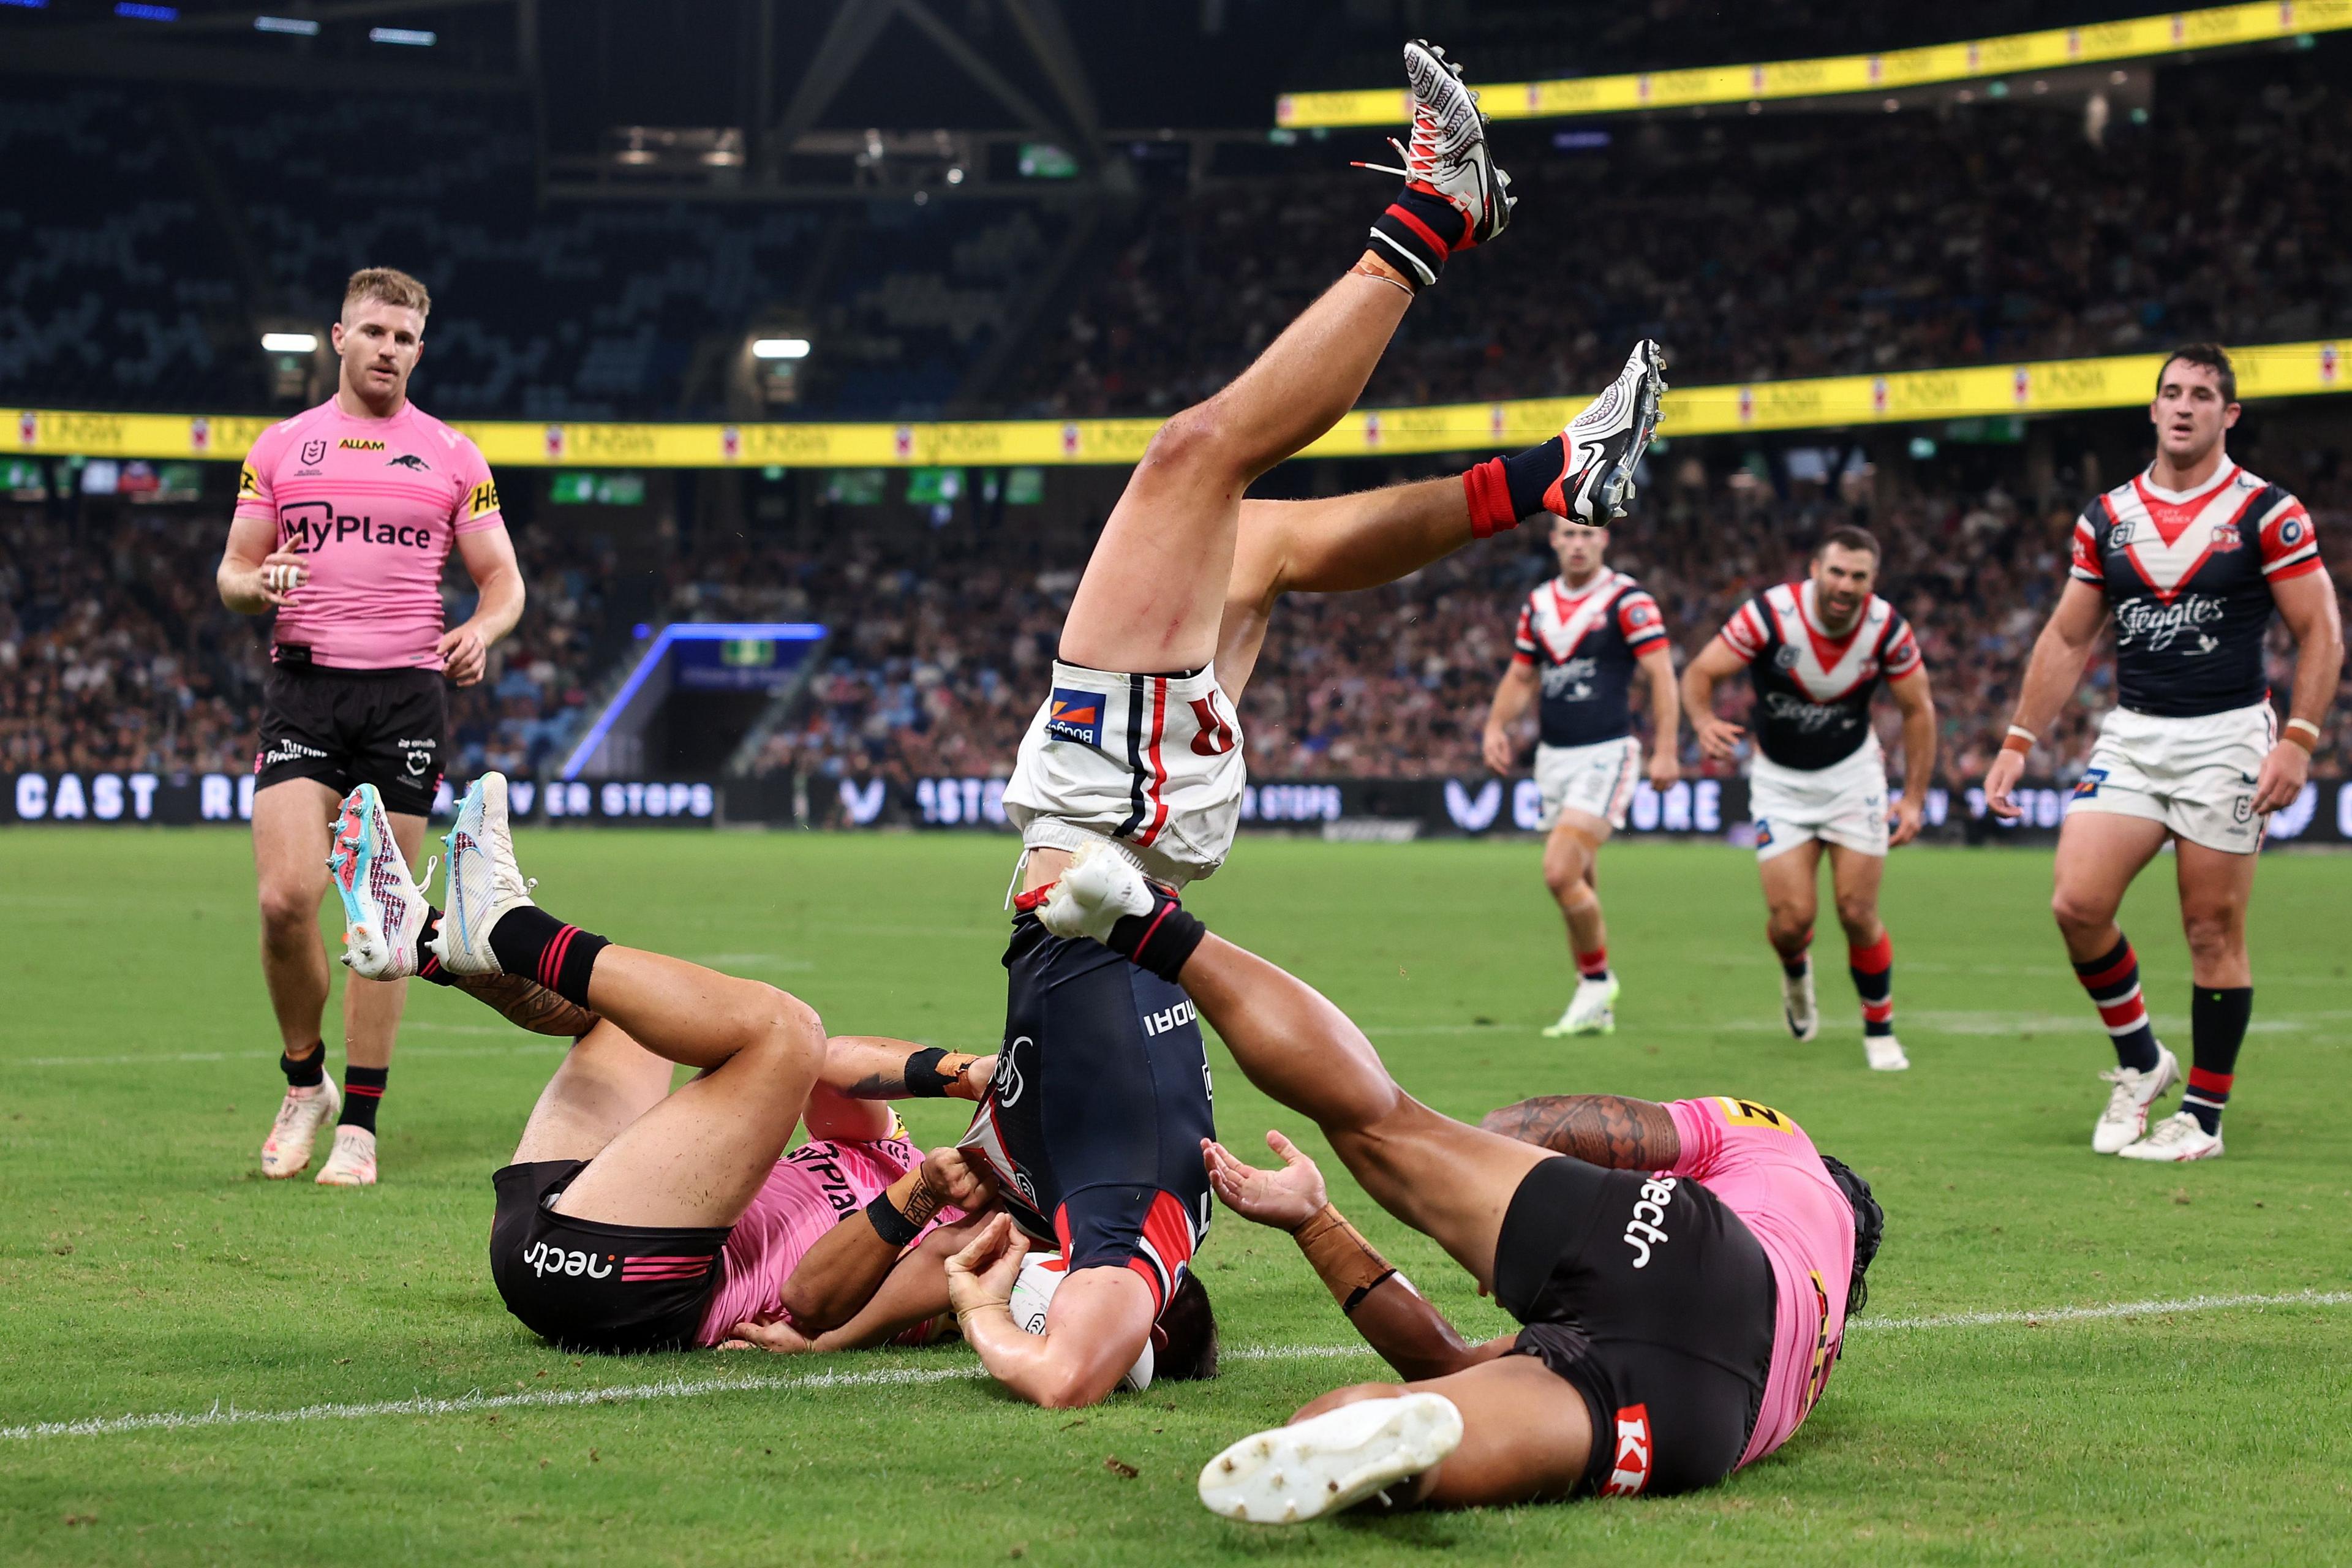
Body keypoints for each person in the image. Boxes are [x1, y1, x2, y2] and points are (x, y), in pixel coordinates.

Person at [960, 38, 1668, 1412]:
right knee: (1197, 457)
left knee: (1265, 532)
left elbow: (1018, 1275)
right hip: (1110, 813)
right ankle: (1432, 219)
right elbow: (1070, 1374)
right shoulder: (1124, 1215)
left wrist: (954, 1236)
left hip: (1123, 836)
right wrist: (983, 1304)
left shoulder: (1081, 1183)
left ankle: (1566, 469)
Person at [987, 845, 1879, 1522]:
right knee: (1364, 1424)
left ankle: (1147, 924)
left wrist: (1484, 1173)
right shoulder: (1814, 1353)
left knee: (1385, 1124)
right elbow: (1450, 1363)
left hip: (1693, 1251)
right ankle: (1392, 1442)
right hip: (1701, 1416)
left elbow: (1587, 1127)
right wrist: (1316, 1225)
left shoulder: (1785, 1151)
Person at [330, 774, 998, 1352]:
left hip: (631, 1285)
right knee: (639, 1016)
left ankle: (510, 928)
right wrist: (967, 1073)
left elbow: (812, 1298)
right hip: (559, 1233)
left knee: (785, 1031)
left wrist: (922, 1197)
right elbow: (832, 1065)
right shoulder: (894, 1151)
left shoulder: (987, 1232)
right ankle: (423, 941)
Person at [1983, 344, 2341, 1161]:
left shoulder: (2266, 512)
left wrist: (2300, 738)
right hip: (2137, 735)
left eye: (2203, 395)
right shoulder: (2107, 517)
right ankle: (2143, 1063)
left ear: (2229, 415)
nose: (2184, 406)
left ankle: (2203, 1121)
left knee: (2211, 931)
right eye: (2172, 393)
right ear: (2153, 409)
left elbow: (2319, 629)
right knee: (2076, 902)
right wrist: (2016, 740)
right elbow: (2069, 637)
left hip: (2228, 739)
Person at [218, 266, 525, 1187]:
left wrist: (480, 629)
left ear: (419, 351)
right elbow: (233, 572)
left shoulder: (453, 456)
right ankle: (302, 1077)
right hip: (306, 692)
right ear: (340, 338)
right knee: (283, 901)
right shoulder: (281, 448)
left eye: (405, 337)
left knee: (381, 922)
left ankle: (361, 1122)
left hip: (405, 698)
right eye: (374, 332)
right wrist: (258, 583)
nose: (389, 349)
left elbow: (503, 583)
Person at [1681, 527, 1935, 1071]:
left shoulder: (1886, 628)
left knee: (1857, 910)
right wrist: (1703, 721)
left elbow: (1919, 711)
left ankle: (1880, 1028)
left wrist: (1913, 800)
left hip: (1853, 777)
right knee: (1792, 920)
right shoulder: (1769, 616)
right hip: (1779, 781)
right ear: (1816, 570)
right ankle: (1796, 971)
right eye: (1837, 572)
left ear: (1873, 580)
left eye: (1859, 576)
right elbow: (1700, 672)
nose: (1846, 585)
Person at [1480, 513, 1679, 1036]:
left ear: (1604, 540)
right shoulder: (1540, 604)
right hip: (1553, 757)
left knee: (1558, 872)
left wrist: (1666, 749)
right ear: (1554, 541)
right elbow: (1523, 674)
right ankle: (1597, 1005)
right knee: (1580, 881)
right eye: (1568, 534)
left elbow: (1661, 672)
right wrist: (1497, 725)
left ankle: (1596, 981)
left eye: (1587, 534)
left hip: (1607, 753)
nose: (1577, 544)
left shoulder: (1627, 601)